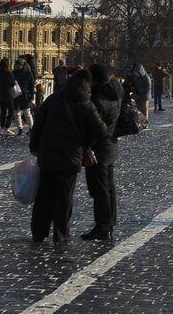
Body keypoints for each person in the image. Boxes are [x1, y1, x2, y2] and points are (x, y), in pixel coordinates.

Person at [29, 67, 107, 243]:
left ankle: (39, 232)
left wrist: (34, 146)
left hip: (47, 155)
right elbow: (101, 130)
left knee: (44, 194)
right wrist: (87, 142)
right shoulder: (87, 104)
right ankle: (61, 232)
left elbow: (38, 125)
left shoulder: (53, 99)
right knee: (64, 196)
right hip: (71, 158)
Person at [85, 63, 121, 240]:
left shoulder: (97, 99)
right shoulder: (115, 95)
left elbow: (92, 126)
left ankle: (102, 226)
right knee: (109, 187)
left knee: (100, 189)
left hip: (99, 147)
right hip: (111, 144)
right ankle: (110, 223)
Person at [13, 56, 36, 135]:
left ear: (22, 65)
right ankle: (20, 128)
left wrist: (32, 95)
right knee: (17, 113)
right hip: (16, 95)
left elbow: (32, 85)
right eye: (16, 65)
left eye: (18, 65)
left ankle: (31, 128)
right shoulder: (14, 73)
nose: (16, 66)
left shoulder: (28, 73)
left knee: (27, 113)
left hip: (25, 95)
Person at [0, 57, 16, 135]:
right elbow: (12, 83)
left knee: (3, 110)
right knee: (11, 110)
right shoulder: (8, 73)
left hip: (0, 93)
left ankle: (2, 127)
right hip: (8, 93)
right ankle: (7, 127)